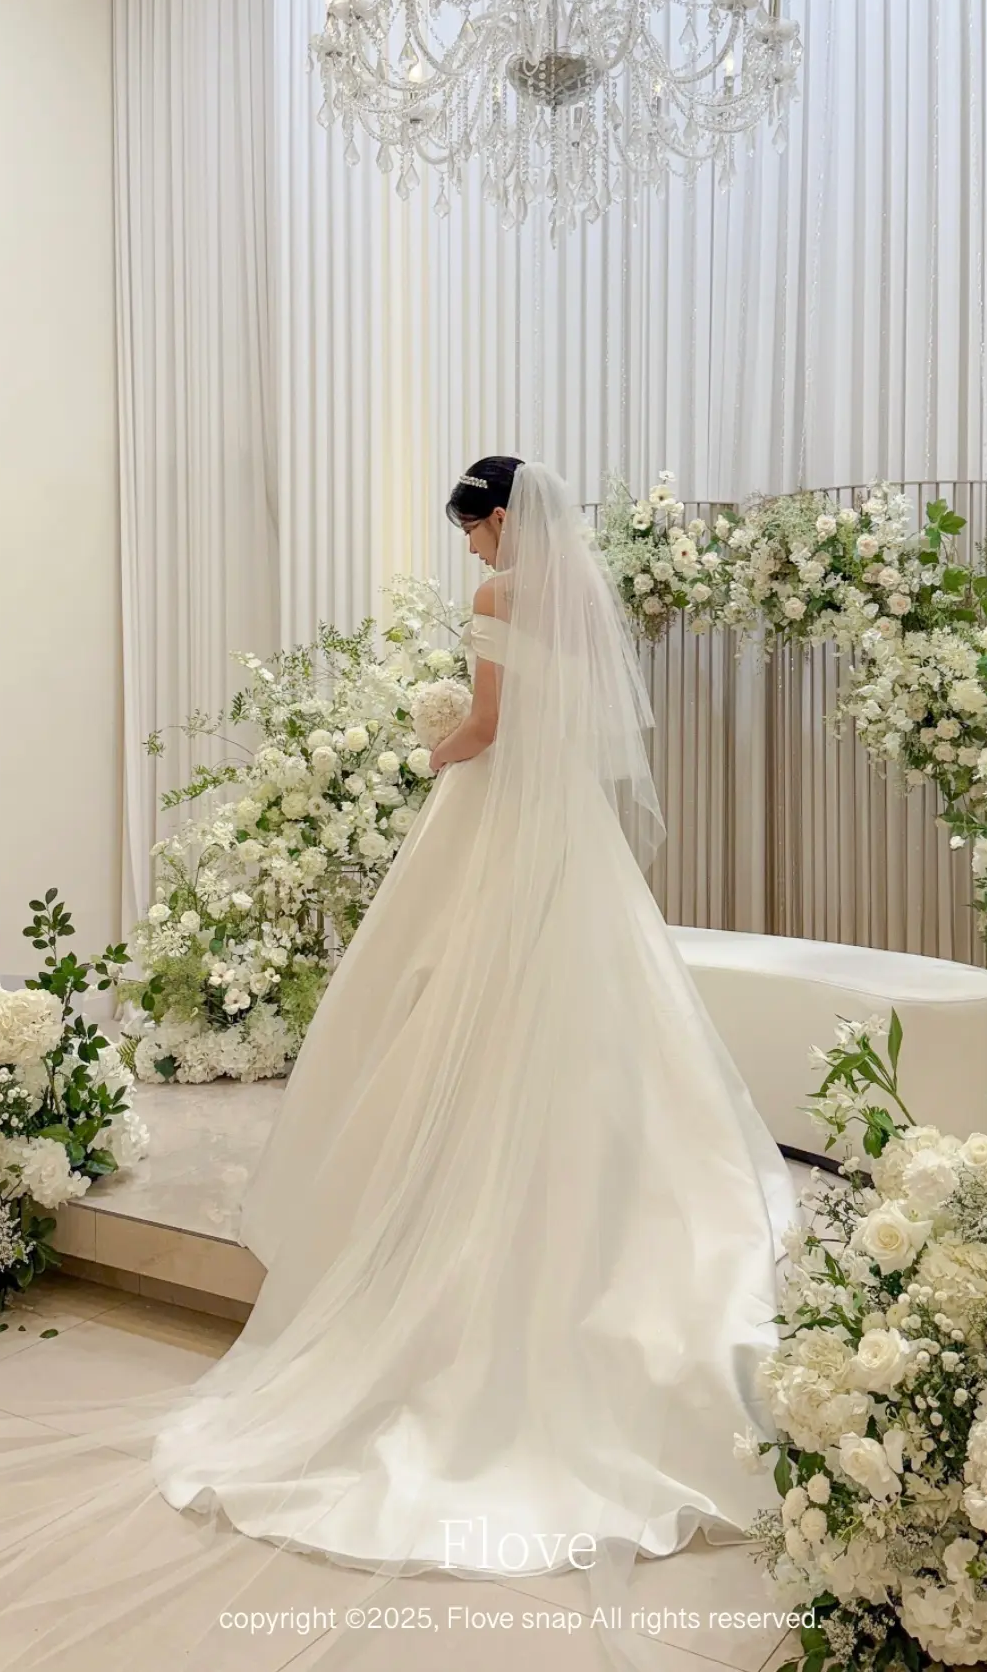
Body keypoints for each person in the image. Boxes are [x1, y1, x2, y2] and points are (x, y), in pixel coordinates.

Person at [151, 457, 797, 1581]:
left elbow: (490, 723)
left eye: (472, 528)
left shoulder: (500, 595)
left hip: (496, 818)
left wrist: (432, 743)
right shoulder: (573, 597)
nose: (469, 549)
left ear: (500, 519)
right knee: (595, 999)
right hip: (566, 830)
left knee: (450, 990)